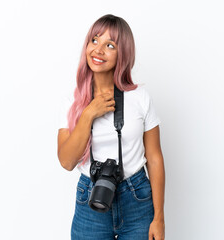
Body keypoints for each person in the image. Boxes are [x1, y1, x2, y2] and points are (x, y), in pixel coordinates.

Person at [57, 14, 165, 240]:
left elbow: (154, 158)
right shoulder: (73, 102)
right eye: (94, 40)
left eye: (110, 45)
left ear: (122, 53)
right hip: (90, 197)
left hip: (136, 197)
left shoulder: (140, 98)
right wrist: (88, 114)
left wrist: (159, 217)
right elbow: (67, 162)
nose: (98, 50)